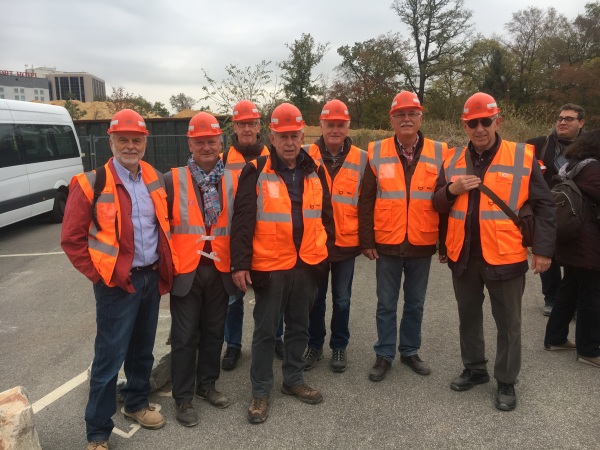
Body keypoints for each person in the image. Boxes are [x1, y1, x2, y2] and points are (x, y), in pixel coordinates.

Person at [432, 92, 556, 411]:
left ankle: (505, 380)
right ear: (465, 126)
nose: (479, 128)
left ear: (497, 121)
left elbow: (544, 206)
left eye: (485, 121)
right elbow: (437, 204)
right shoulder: (452, 160)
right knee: (468, 317)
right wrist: (450, 190)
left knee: (509, 323)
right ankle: (474, 369)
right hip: (465, 255)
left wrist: (542, 250)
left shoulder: (522, 156)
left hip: (506, 256)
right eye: (472, 123)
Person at [60, 109, 175, 450]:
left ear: (144, 142)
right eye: (122, 139)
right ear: (110, 141)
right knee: (109, 357)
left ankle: (137, 403)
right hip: (116, 285)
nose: (130, 146)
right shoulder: (90, 183)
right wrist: (101, 275)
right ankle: (97, 431)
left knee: (142, 351)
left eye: (136, 140)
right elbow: (72, 239)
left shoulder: (154, 176)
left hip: (150, 278)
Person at [230, 102, 334, 424]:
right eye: (283, 136)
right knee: (264, 331)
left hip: (306, 265)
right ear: (271, 136)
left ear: (303, 135)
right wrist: (240, 264)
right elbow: (244, 221)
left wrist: (323, 255)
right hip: (271, 267)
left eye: (295, 135)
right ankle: (260, 391)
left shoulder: (315, 170)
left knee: (299, 327)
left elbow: (326, 217)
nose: (290, 142)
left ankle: (293, 380)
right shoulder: (256, 170)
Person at [358, 91, 449, 382]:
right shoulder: (376, 151)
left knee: (415, 303)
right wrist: (367, 240)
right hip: (387, 242)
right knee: (386, 303)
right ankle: (384, 354)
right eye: (401, 114)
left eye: (412, 114)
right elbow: (366, 199)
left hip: (422, 242)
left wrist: (444, 242)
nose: (406, 119)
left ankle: (409, 350)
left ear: (421, 118)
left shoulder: (440, 152)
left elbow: (447, 202)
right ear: (392, 120)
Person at [165, 112, 233, 427]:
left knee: (214, 332)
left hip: (219, 267)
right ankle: (183, 399)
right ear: (190, 143)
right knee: (183, 336)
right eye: (200, 142)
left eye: (211, 141)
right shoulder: (172, 179)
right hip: (187, 270)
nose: (206, 147)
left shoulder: (233, 178)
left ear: (221, 142)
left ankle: (207, 384)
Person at [302, 99, 366, 373]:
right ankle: (314, 345)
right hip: (315, 242)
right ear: (321, 125)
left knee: (342, 299)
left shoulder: (362, 158)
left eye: (340, 125)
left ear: (348, 126)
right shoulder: (305, 154)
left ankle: (339, 346)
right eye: (330, 125)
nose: (335, 130)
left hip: (346, 244)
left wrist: (367, 240)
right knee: (315, 298)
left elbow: (367, 202)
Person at [221, 100, 284, 371]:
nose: (247, 128)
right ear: (234, 126)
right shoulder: (223, 161)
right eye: (242, 124)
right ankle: (233, 345)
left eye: (252, 123)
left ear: (260, 126)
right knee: (233, 299)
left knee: (272, 297)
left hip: (269, 239)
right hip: (236, 240)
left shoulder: (275, 157)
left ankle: (276, 338)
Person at [544, 129, 600, 368]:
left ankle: (555, 338)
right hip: (588, 242)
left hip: (573, 238)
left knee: (570, 290)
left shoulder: (574, 164)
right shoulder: (593, 170)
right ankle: (589, 349)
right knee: (592, 296)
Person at [526, 103, 585, 316]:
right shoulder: (539, 144)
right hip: (546, 208)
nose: (562, 122)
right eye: (560, 118)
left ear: (581, 123)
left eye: (569, 118)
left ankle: (574, 301)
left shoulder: (590, 146)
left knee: (575, 257)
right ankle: (551, 299)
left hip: (578, 210)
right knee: (546, 251)